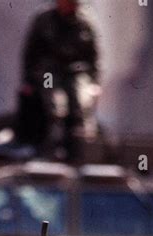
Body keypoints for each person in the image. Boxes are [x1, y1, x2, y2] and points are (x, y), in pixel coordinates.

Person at [15, 0, 100, 160]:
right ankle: (52, 151)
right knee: (55, 106)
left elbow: (94, 56)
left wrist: (95, 84)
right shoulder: (43, 20)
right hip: (49, 72)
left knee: (80, 106)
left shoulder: (85, 21)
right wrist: (27, 81)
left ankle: (80, 152)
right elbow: (30, 54)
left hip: (77, 72)